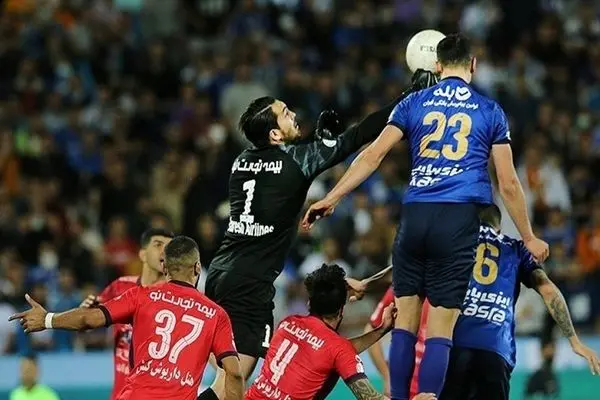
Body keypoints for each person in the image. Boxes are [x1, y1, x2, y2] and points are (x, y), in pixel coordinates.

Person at [302, 33, 549, 399]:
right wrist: (528, 236)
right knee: (440, 329)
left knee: (405, 323)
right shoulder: (489, 110)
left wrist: (332, 196)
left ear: (436, 65)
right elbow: (509, 184)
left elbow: (372, 155)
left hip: (415, 216)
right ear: (473, 65)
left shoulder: (413, 102)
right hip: (457, 220)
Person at [201, 68, 441, 399]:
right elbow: (357, 137)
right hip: (251, 283)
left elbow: (282, 169)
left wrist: (318, 141)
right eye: (285, 113)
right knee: (233, 380)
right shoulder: (296, 161)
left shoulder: (242, 161)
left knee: (230, 382)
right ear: (275, 134)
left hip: (221, 272)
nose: (293, 115)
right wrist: (408, 98)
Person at [10, 236, 243, 400]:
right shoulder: (215, 314)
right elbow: (233, 372)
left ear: (165, 268)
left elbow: (90, 319)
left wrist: (47, 319)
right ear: (197, 268)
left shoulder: (141, 296)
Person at [440, 205, 600, 400]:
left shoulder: (453, 243)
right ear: (499, 227)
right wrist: (574, 341)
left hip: (454, 346)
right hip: (496, 349)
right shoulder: (515, 249)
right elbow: (549, 290)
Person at [245, 263, 436, 400]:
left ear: (309, 303)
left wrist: (381, 330)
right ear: (341, 311)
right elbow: (369, 397)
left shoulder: (287, 323)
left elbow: (326, 352)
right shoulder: (337, 349)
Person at [79, 228, 174, 400]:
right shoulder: (120, 287)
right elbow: (87, 325)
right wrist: (85, 313)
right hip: (120, 394)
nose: (164, 252)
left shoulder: (176, 299)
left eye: (169, 248)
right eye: (158, 245)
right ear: (142, 254)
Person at [366, 285, 430, 399]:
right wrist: (387, 376)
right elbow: (371, 329)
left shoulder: (455, 286)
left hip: (442, 386)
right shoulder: (402, 285)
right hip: (405, 387)